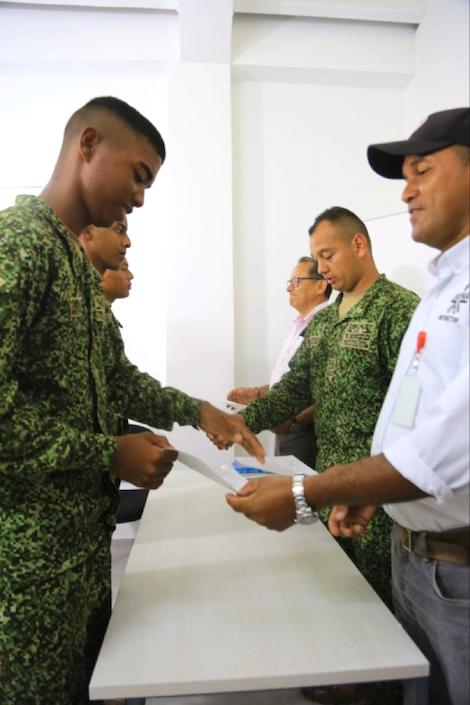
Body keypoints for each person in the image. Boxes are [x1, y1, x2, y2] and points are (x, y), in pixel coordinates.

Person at [0, 95, 263, 705]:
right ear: (87, 145)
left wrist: (199, 411)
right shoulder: (22, 246)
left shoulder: (71, 260)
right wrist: (107, 455)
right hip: (26, 568)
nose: (140, 198)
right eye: (138, 176)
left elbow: (115, 378)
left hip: (78, 557)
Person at [226, 107, 470, 705]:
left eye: (423, 171)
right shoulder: (433, 293)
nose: (407, 191)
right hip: (374, 502)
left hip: (404, 512)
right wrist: (238, 422)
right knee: (369, 635)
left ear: (358, 246)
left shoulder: (397, 305)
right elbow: (299, 389)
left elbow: (442, 445)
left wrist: (316, 491)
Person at [227, 256, 331, 468]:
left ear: (321, 285)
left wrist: (295, 422)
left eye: (296, 282)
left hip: (305, 432)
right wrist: (258, 392)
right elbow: (293, 380)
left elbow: (327, 386)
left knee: (300, 496)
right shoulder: (299, 326)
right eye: (289, 283)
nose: (289, 289)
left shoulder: (327, 325)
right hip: (285, 425)